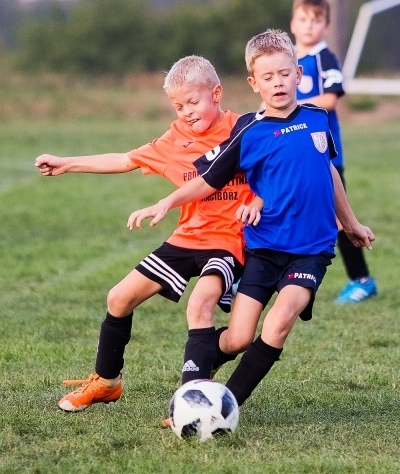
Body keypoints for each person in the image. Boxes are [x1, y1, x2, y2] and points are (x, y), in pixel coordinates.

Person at [128, 29, 375, 406]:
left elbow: (329, 173)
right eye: (267, 77)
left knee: (280, 321)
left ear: (298, 74)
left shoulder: (318, 118)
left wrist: (351, 223)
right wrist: (167, 202)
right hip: (263, 248)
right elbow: (208, 181)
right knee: (239, 338)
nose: (277, 83)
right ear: (254, 83)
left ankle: (225, 404)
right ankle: (208, 357)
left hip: (311, 249)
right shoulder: (249, 131)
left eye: (284, 74)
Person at [35, 55, 261, 412]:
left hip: (229, 241)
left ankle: (192, 404)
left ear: (216, 93)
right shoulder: (175, 139)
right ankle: (107, 382)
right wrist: (68, 163)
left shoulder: (246, 131)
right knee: (119, 298)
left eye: (193, 101)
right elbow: (126, 159)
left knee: (200, 304)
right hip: (187, 238)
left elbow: (277, 171)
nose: (186, 111)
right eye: (178, 105)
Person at [290, 0, 377, 304]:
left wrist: (292, 105)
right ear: (292, 24)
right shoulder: (288, 60)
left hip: (324, 152)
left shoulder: (324, 57)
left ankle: (362, 280)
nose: (310, 26)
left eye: (317, 20)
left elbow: (330, 98)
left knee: (340, 218)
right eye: (303, 19)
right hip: (292, 152)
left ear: (326, 26)